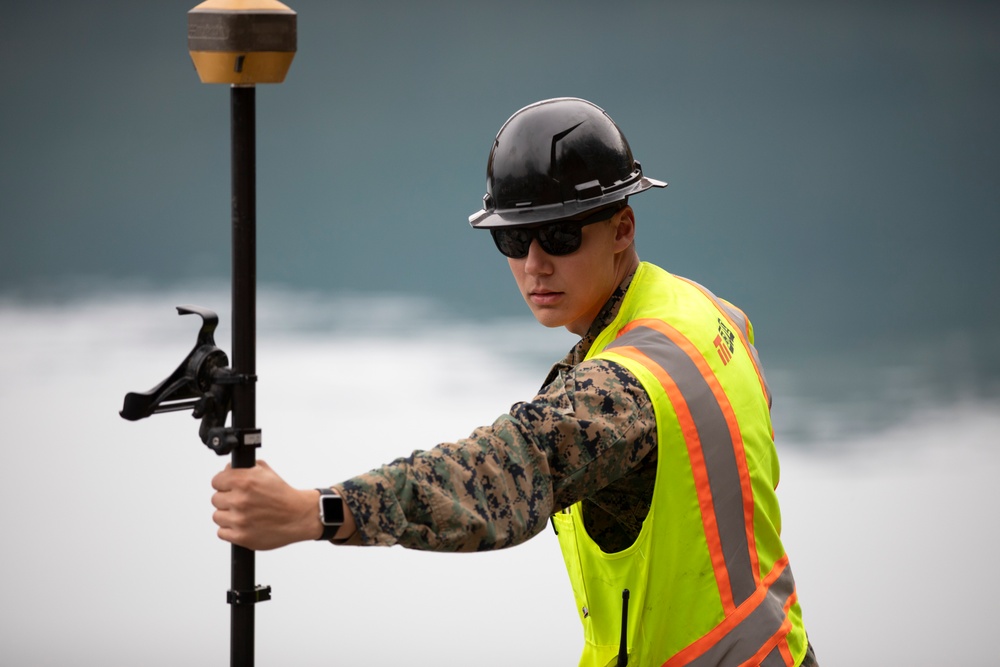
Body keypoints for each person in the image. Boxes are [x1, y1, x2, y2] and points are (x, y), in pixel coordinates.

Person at [211, 97, 818, 667]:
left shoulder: (622, 392)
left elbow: (503, 468)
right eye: (512, 238)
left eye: (560, 236)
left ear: (623, 228)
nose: (534, 264)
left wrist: (314, 511)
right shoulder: (711, 315)